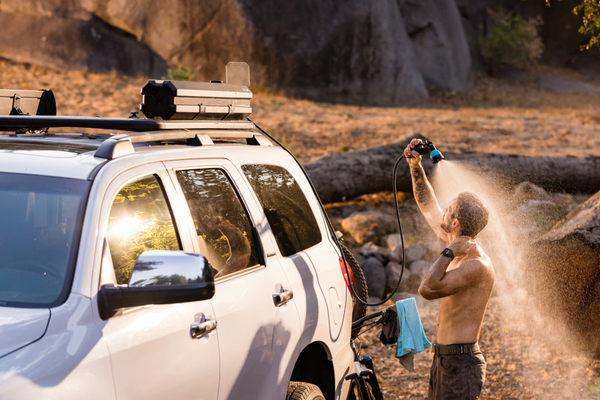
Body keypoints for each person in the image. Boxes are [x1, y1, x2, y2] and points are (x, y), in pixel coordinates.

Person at [404, 138, 495, 400]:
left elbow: (427, 289)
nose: (442, 210)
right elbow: (427, 206)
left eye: (449, 209)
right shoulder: (454, 244)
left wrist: (448, 252)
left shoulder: (475, 265)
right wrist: (415, 167)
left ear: (455, 222)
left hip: (461, 364)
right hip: (445, 359)